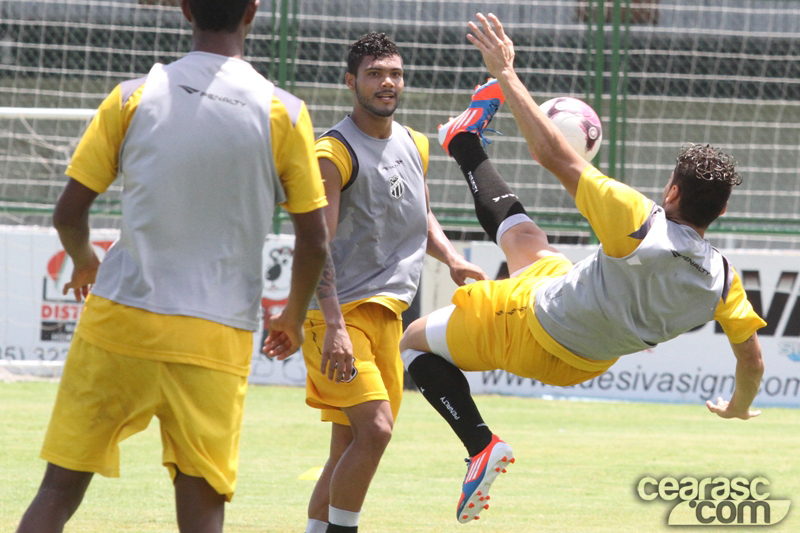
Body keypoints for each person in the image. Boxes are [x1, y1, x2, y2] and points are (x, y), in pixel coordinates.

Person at [399, 13, 767, 524]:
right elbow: (752, 362)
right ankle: (463, 141)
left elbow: (553, 154)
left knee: (412, 343)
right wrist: (738, 406)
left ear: (672, 191)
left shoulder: (639, 220)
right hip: (587, 357)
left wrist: (506, 73)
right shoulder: (725, 280)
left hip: (531, 325)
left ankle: (480, 445)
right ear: (722, 211)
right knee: (528, 243)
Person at [15, 1, 328, 532]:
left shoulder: (132, 97)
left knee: (58, 492)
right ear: (253, 12)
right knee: (203, 510)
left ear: (184, 9)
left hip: (121, 319)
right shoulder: (285, 112)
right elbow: (315, 240)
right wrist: (293, 316)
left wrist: (85, 260)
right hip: (215, 333)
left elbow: (68, 213)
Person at [299, 32, 487, 533]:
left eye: (395, 74)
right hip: (338, 319)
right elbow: (317, 245)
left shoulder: (414, 143)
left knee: (349, 444)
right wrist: (334, 326)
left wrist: (452, 259)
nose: (387, 82)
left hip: (387, 316)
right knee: (376, 431)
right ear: (351, 82)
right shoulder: (332, 153)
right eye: (375, 74)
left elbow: (420, 214)